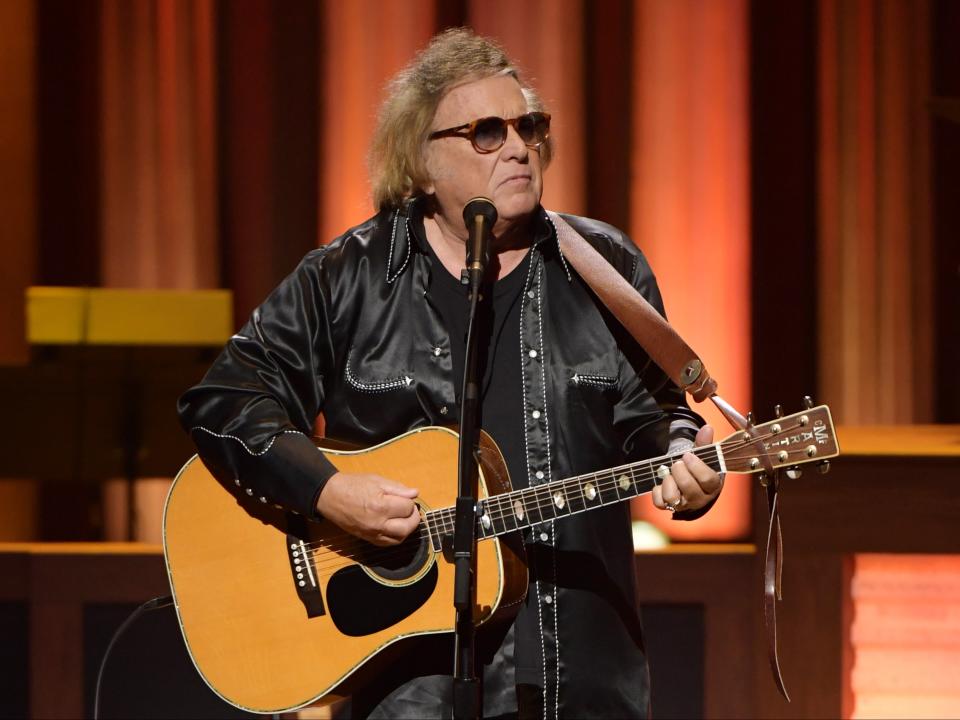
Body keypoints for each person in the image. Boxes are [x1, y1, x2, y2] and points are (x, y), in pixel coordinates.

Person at [178, 28, 723, 720]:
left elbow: (660, 421)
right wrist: (328, 492)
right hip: (405, 686)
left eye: (528, 125)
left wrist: (685, 461)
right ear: (422, 160)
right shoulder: (348, 277)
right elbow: (223, 399)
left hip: (573, 675)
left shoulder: (606, 269)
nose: (520, 147)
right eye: (488, 132)